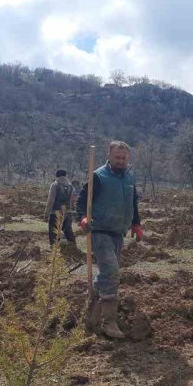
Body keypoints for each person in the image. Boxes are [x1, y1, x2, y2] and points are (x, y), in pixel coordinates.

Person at [76, 141, 143, 339]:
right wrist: (83, 218)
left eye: (124, 158)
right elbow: (81, 200)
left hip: (118, 232)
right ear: (109, 156)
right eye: (117, 157)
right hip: (100, 231)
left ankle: (90, 316)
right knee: (112, 272)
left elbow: (133, 202)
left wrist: (136, 224)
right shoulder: (98, 176)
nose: (121, 161)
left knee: (107, 275)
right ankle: (109, 321)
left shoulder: (129, 177)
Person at [45, 169, 76, 245]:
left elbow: (51, 200)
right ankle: (73, 247)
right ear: (65, 176)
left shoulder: (55, 185)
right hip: (67, 212)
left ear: (57, 175)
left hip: (55, 212)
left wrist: (46, 213)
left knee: (53, 232)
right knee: (68, 230)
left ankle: (54, 249)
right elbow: (73, 199)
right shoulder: (70, 186)